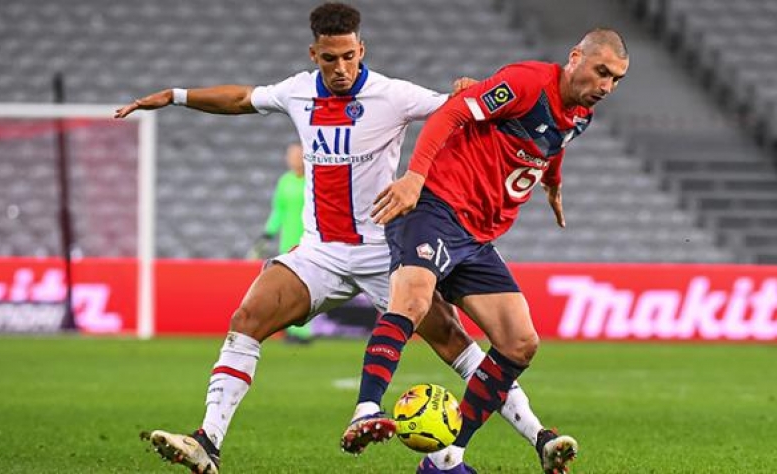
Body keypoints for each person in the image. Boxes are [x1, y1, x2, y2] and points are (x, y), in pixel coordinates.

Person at [114, 3, 552, 473]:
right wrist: (175, 95)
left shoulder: (394, 95)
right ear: (314, 54)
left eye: (348, 56)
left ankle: (538, 436)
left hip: (385, 251)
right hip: (320, 252)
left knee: (456, 345)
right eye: (330, 58)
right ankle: (208, 441)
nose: (341, 68)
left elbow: (460, 114)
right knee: (248, 318)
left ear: (361, 49)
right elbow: (241, 99)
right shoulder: (297, 92)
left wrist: (473, 93)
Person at [344, 28, 630, 473]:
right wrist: (416, 178)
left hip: (476, 238)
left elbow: (553, 143)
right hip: (434, 207)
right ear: (576, 57)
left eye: (616, 79)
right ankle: (365, 410)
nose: (607, 87)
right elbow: (453, 113)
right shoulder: (526, 83)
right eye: (601, 72)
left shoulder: (580, 115)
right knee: (415, 300)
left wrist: (553, 184)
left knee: (520, 343)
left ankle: (446, 457)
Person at [250, 143, 314, 343]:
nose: (295, 159)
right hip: (288, 241)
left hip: (310, 240)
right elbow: (278, 210)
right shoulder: (285, 181)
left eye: (298, 155)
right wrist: (268, 233)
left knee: (308, 285)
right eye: (292, 155)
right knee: (289, 287)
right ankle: (291, 330)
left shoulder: (313, 180)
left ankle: (304, 332)